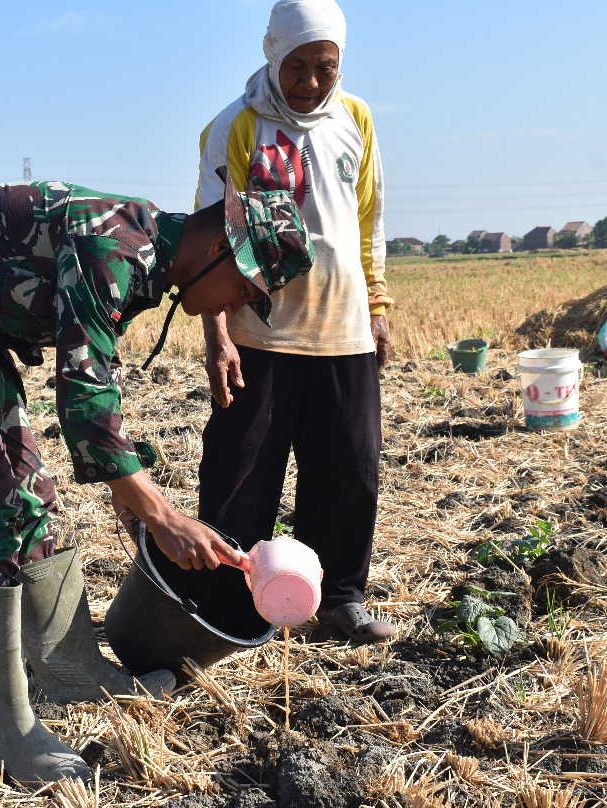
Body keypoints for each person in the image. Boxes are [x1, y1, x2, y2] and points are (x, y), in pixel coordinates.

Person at [0, 175, 312, 784]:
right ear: (219, 250)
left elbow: (94, 380)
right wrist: (160, 515)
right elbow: (84, 393)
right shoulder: (113, 249)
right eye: (242, 290)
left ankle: (73, 668)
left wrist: (131, 488)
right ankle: (7, 730)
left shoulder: (144, 257)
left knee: (31, 492)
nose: (231, 307)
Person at [194, 0, 396, 643]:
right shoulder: (236, 127)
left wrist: (379, 306)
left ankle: (337, 598)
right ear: (271, 56)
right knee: (240, 474)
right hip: (260, 333)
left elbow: (369, 222)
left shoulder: (356, 119)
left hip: (343, 328)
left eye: (325, 68)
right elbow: (210, 240)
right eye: (297, 67)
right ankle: (227, 609)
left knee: (350, 470)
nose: (311, 82)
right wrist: (218, 335)